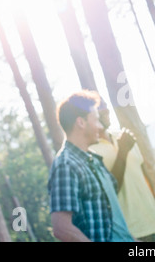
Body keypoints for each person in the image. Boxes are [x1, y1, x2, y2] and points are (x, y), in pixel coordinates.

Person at [48, 90, 134, 242]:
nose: (100, 126)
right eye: (96, 120)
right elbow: (61, 228)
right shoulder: (66, 165)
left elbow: (112, 220)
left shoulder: (94, 159)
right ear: (81, 122)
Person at [89, 100, 155, 241]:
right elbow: (108, 191)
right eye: (99, 107)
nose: (106, 110)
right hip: (130, 234)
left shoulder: (124, 136)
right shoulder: (90, 151)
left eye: (106, 105)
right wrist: (123, 151)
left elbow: (145, 177)